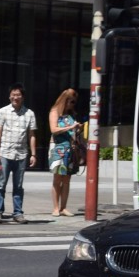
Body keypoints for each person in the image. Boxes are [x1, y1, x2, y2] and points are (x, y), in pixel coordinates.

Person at [0, 83, 37, 224]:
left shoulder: (29, 113)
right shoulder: (2, 111)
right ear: (9, 96)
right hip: (4, 152)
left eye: (18, 95)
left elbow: (32, 135)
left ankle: (18, 213)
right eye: (13, 94)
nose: (15, 97)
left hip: (21, 154)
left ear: (23, 97)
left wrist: (33, 154)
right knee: (1, 184)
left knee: (18, 186)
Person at [47, 88, 81, 216]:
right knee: (57, 178)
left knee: (67, 179)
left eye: (73, 102)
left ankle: (64, 207)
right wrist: (70, 127)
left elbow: (73, 132)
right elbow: (53, 129)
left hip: (70, 148)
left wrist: (77, 129)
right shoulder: (55, 112)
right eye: (71, 102)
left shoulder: (71, 114)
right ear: (64, 101)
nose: (72, 104)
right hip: (58, 148)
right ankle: (55, 208)